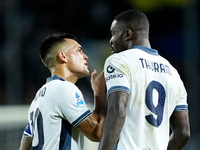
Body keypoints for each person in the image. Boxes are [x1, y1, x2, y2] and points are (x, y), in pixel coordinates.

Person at [98, 9, 190, 150]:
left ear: (127, 34)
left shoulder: (119, 61)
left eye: (113, 34)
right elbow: (183, 133)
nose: (111, 40)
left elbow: (117, 111)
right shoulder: (174, 73)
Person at [19, 33, 106, 150]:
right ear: (63, 56)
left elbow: (25, 145)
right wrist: (99, 93)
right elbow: (98, 133)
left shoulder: (39, 96)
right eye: (79, 50)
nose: (85, 56)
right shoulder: (64, 89)